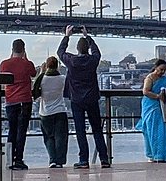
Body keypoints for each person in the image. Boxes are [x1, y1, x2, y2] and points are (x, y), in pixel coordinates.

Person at [59, 27, 110, 168]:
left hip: (76, 100)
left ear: (77, 48)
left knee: (80, 130)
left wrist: (66, 36)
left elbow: (60, 52)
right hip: (92, 99)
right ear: (88, 48)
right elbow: (97, 52)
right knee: (97, 130)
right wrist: (88, 36)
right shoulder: (93, 60)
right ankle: (104, 159)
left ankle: (83, 160)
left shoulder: (71, 61)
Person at [0, 39, 37, 171]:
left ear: (12, 49)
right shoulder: (27, 64)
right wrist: (25, 59)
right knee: (21, 131)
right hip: (24, 101)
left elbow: (2, 75)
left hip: (10, 101)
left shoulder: (4, 64)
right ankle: (18, 160)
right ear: (24, 50)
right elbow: (34, 73)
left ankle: (9, 160)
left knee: (12, 130)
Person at [32, 56, 69, 168]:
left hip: (46, 112)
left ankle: (52, 159)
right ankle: (60, 161)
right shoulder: (62, 78)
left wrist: (41, 72)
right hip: (60, 110)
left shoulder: (42, 79)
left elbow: (35, 92)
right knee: (61, 137)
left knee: (48, 137)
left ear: (46, 66)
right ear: (57, 66)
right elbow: (68, 91)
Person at [137, 59, 166, 162]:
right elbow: (145, 91)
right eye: (161, 69)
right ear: (156, 67)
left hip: (162, 107)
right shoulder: (150, 78)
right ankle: (154, 155)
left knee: (162, 131)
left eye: (164, 70)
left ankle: (162, 155)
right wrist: (158, 96)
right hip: (151, 106)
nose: (162, 72)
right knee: (152, 130)